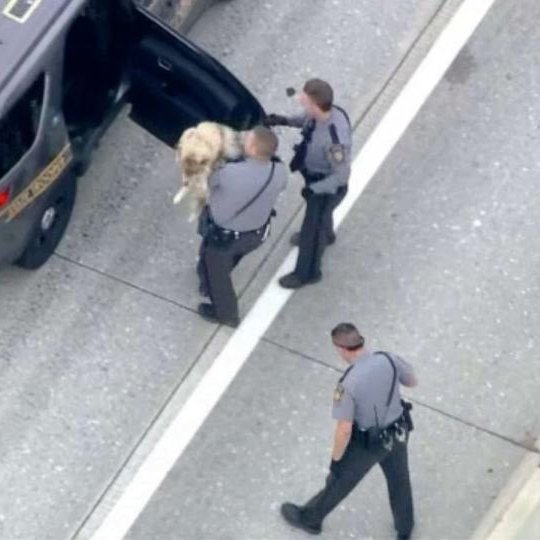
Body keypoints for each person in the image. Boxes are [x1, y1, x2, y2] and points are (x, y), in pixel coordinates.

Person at [280, 323, 417, 539]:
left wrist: (336, 460)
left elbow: (344, 429)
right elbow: (412, 381)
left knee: (339, 481)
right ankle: (405, 528)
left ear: (341, 349)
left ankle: (310, 519)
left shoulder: (347, 384)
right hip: (399, 431)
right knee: (399, 479)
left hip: (368, 444)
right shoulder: (388, 359)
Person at [264, 79, 353, 289]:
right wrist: (283, 120)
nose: (300, 101)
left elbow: (341, 176)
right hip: (314, 176)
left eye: (304, 100)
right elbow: (305, 120)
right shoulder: (324, 112)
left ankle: (308, 272)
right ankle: (328, 235)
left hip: (326, 187)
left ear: (315, 104)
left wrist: (314, 190)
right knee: (320, 222)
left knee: (311, 232)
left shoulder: (334, 141)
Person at [196, 127, 288, 327]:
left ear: (254, 150)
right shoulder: (279, 172)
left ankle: (226, 313)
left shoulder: (231, 173)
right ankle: (206, 283)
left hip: (226, 237)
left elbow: (209, 183)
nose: (244, 139)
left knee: (217, 271)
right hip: (255, 234)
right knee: (227, 261)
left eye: (248, 140)